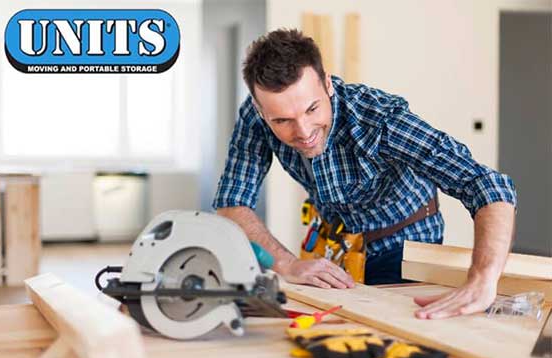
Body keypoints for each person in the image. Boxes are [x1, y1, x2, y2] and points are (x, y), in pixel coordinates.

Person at [213, 29, 516, 319]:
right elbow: (232, 204)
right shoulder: (255, 116)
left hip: (404, 242)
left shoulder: (379, 120)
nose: (303, 132)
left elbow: (485, 184)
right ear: (259, 107)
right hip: (343, 243)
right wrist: (287, 264)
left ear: (327, 84)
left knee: (396, 329)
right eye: (282, 120)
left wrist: (482, 278)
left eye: (312, 109)